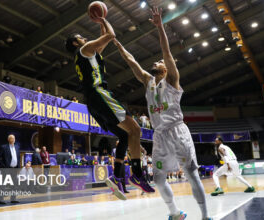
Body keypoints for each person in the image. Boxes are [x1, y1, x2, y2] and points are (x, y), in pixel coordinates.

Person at [113, 7, 211, 220]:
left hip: (177, 131)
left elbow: (166, 53)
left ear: (166, 68)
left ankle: (205, 216)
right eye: (156, 62)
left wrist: (160, 27)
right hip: (159, 135)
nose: (156, 62)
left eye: (159, 62)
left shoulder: (172, 79)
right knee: (157, 179)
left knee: (192, 174)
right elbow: (132, 63)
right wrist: (118, 45)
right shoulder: (148, 82)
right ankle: (175, 213)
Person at [65, 15, 153, 200]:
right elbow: (111, 34)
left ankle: (117, 175)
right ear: (75, 43)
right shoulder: (84, 49)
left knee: (124, 135)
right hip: (100, 94)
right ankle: (136, 174)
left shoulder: (90, 53)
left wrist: (101, 26)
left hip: (93, 101)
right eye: (81, 37)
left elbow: (105, 37)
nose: (85, 39)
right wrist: (103, 18)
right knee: (136, 129)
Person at [0, 134, 20, 204]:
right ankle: (1, 199)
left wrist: (18, 166)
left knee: (14, 184)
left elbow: (18, 157)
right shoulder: (3, 147)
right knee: (3, 184)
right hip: (6, 168)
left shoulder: (17, 147)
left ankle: (13, 198)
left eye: (14, 138)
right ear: (8, 139)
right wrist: (3, 166)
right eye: (12, 138)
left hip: (14, 168)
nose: (13, 139)